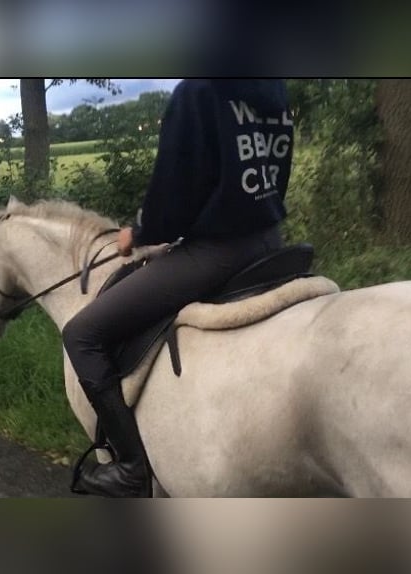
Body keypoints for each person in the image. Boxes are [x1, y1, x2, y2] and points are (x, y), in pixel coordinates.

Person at [62, 79, 294, 497]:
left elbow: (175, 188)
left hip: (217, 252)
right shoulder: (272, 90)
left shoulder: (200, 91)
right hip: (270, 241)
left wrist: (141, 232)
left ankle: (132, 469)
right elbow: (269, 177)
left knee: (81, 334)